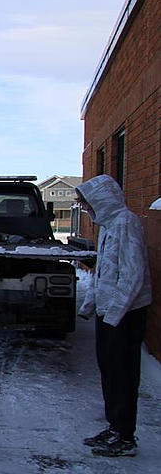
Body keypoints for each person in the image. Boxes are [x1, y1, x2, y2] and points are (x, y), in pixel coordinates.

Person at [75, 175, 152, 457]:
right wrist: (91, 306)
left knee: (123, 375)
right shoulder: (109, 226)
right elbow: (105, 273)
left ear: (102, 200)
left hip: (125, 315)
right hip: (110, 314)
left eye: (88, 204)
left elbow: (132, 275)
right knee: (109, 372)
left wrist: (114, 314)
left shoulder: (126, 223)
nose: (87, 210)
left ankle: (125, 437)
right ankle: (114, 427)